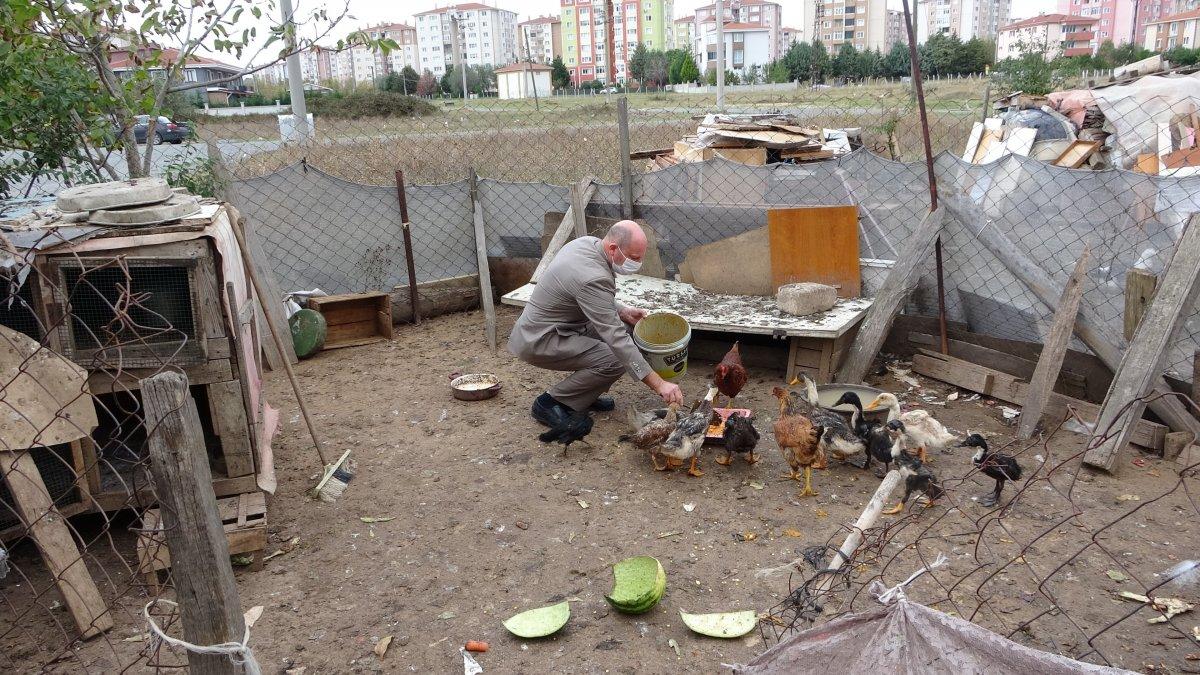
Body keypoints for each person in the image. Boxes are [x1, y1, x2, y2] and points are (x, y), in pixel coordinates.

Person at [509, 220, 685, 431]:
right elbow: (616, 338)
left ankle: (584, 395)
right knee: (616, 358)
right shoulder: (593, 277)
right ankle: (550, 402)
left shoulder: (586, 244)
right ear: (613, 248)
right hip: (539, 339)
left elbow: (587, 295)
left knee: (628, 329)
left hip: (563, 326)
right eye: (634, 258)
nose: (638, 263)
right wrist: (659, 383)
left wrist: (622, 311)